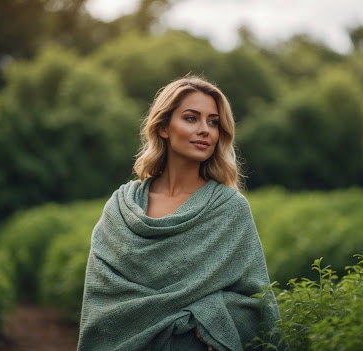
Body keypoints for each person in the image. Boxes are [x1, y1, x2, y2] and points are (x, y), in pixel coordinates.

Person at [77, 76, 283, 351]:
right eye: (191, 118)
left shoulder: (229, 208)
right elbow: (102, 297)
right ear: (163, 127)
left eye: (213, 122)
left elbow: (257, 303)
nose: (205, 130)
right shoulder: (121, 207)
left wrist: (212, 316)